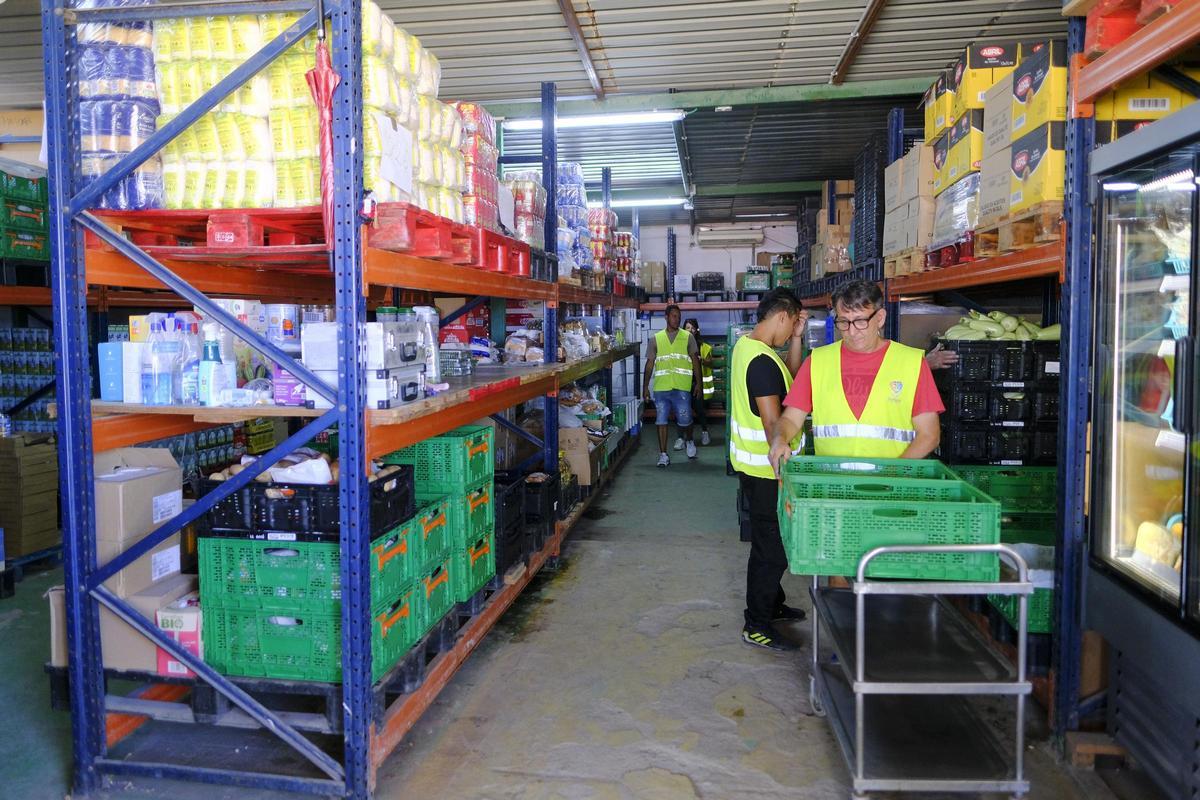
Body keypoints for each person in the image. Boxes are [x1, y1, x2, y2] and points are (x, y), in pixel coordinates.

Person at [768, 279, 944, 474]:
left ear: (880, 318)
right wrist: (779, 439)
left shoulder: (911, 363)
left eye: (860, 321)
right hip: (832, 488)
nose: (852, 332)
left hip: (892, 489)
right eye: (844, 322)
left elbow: (929, 434)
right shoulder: (817, 362)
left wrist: (892, 474)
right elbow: (791, 420)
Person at [729, 288, 809, 652]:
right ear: (782, 315)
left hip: (754, 467)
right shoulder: (760, 363)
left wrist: (796, 338)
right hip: (767, 473)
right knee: (771, 549)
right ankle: (756, 624)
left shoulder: (751, 350)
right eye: (792, 322)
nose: (792, 328)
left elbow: (788, 378)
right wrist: (784, 475)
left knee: (769, 543)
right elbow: (772, 423)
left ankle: (772, 605)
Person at [643, 304, 702, 467]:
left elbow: (695, 361)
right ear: (666, 317)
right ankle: (663, 455)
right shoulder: (656, 339)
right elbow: (649, 364)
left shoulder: (687, 337)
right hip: (661, 388)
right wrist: (645, 387)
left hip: (682, 388)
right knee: (661, 421)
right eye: (674, 316)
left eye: (679, 316)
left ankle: (689, 440)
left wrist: (699, 383)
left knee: (686, 419)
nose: (677, 319)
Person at [683, 318, 714, 445]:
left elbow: (710, 363)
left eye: (692, 328)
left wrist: (701, 359)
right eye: (687, 328)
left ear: (697, 330)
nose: (690, 330)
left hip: (697, 383)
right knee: (683, 410)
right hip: (683, 382)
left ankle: (705, 432)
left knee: (700, 409)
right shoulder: (680, 345)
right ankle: (683, 438)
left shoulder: (703, 346)